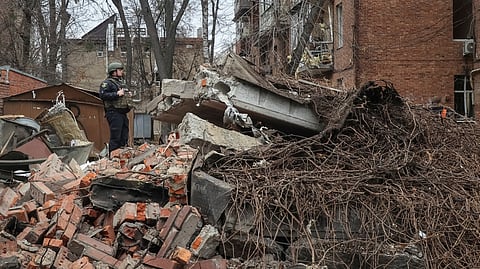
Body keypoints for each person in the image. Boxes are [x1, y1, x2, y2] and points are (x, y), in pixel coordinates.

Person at [99, 62, 132, 154]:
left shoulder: (119, 83)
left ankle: (122, 157)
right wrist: (117, 94)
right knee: (116, 137)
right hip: (114, 112)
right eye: (120, 70)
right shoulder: (107, 83)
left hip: (122, 113)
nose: (122, 72)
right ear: (114, 72)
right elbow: (103, 95)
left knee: (124, 136)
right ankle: (113, 157)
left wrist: (127, 95)